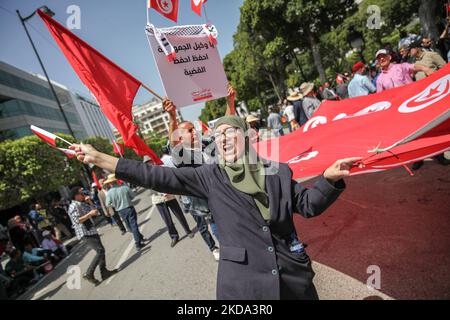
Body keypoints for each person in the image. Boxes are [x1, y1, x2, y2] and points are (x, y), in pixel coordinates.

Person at [71, 112, 362, 300]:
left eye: (229, 133)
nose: (222, 140)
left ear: (246, 137)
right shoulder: (210, 177)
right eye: (217, 136)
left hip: (293, 279)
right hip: (245, 287)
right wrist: (100, 158)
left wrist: (329, 179)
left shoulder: (278, 171)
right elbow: (156, 176)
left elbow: (308, 205)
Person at [163, 100, 221, 261]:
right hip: (201, 205)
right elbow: (174, 146)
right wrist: (172, 117)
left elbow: (224, 131)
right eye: (189, 131)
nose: (194, 132)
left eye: (194, 129)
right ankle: (214, 248)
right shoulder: (183, 155)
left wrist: (230, 101)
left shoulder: (206, 146)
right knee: (205, 226)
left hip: (222, 200)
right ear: (180, 138)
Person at [68, 186, 117, 285]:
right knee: (100, 251)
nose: (83, 195)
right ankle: (89, 273)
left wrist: (90, 202)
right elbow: (77, 220)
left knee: (101, 250)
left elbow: (96, 212)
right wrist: (89, 214)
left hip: (91, 229)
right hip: (85, 232)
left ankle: (104, 272)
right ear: (76, 196)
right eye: (81, 193)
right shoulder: (73, 206)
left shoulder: (82, 203)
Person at [144, 156, 194, 247]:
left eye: (150, 161)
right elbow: (149, 187)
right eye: (147, 162)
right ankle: (174, 236)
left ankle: (188, 230)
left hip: (169, 196)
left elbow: (167, 179)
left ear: (153, 161)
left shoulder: (160, 169)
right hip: (158, 199)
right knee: (167, 220)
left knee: (179, 215)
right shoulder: (145, 175)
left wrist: (167, 189)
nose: (149, 163)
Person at [104, 174, 148, 251]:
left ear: (110, 183)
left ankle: (140, 238)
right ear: (116, 180)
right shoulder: (124, 187)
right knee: (133, 226)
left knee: (130, 227)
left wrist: (115, 204)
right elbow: (133, 196)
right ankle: (138, 243)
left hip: (120, 211)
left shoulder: (109, 192)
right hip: (129, 208)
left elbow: (107, 204)